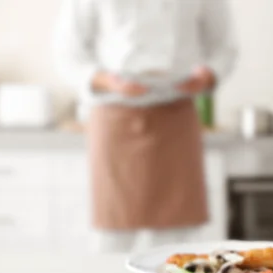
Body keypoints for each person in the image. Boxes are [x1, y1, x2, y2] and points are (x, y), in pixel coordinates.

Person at [53, 0, 237, 252]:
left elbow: (224, 48)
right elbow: (67, 52)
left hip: (176, 115)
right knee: (112, 233)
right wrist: (107, 81)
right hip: (115, 116)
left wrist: (208, 75)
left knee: (178, 236)